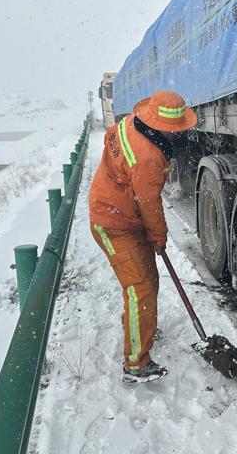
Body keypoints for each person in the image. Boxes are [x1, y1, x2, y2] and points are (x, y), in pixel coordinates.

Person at [89, 90, 197, 383]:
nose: (177, 135)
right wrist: (159, 237)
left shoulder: (128, 124)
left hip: (125, 214)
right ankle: (136, 363)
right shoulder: (148, 157)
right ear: (164, 127)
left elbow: (108, 139)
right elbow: (150, 205)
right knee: (139, 288)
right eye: (175, 130)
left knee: (149, 280)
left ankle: (140, 324)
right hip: (112, 223)